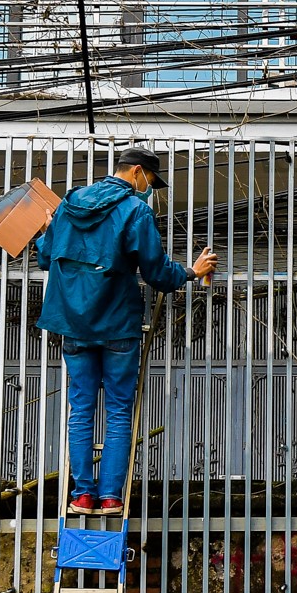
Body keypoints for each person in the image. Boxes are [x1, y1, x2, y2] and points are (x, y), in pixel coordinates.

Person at [34, 147, 216, 516]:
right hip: (118, 324)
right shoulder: (136, 210)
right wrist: (193, 271)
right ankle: (111, 497)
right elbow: (157, 273)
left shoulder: (69, 205)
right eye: (150, 180)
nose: (150, 188)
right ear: (136, 172)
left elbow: (43, 257)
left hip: (74, 326)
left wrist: (47, 230)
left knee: (81, 411)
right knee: (118, 411)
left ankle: (83, 495)